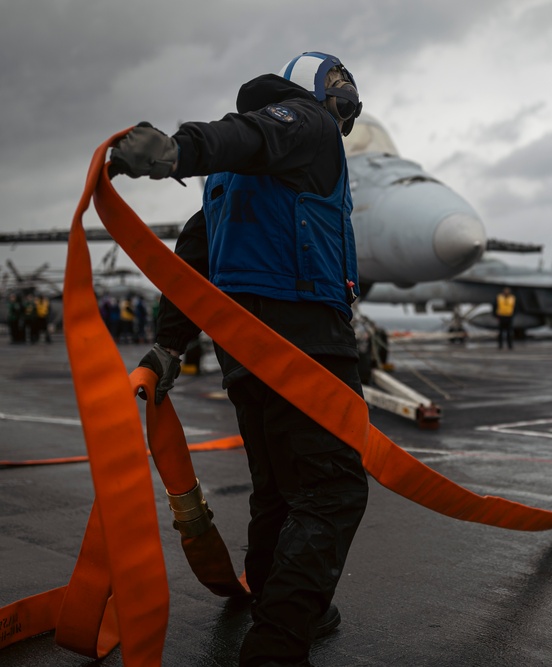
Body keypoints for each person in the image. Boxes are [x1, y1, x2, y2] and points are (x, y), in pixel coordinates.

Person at [110, 50, 370, 666]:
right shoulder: (307, 124)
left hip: (243, 349)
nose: (347, 92)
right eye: (336, 80)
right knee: (332, 489)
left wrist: (171, 346)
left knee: (278, 486)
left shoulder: (230, 177)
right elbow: (253, 130)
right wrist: (177, 149)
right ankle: (278, 644)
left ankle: (278, 598)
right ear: (306, 89)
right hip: (306, 338)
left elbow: (192, 256)